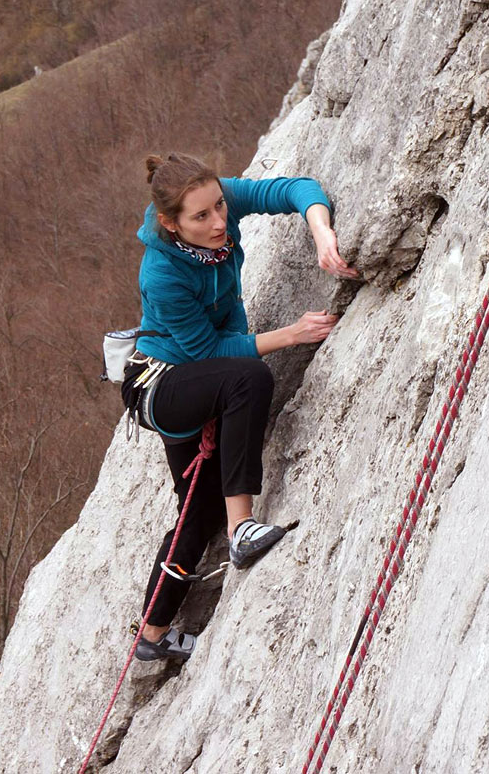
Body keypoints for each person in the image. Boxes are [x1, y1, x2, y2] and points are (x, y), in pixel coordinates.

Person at [121, 152, 358, 661]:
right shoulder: (161, 273)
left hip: (199, 380)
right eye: (201, 217)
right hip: (160, 386)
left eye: (220, 208)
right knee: (249, 377)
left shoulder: (216, 197)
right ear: (170, 223)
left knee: (197, 508)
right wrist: (292, 334)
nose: (218, 221)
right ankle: (242, 529)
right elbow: (208, 353)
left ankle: (153, 635)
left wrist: (320, 231)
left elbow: (294, 188)